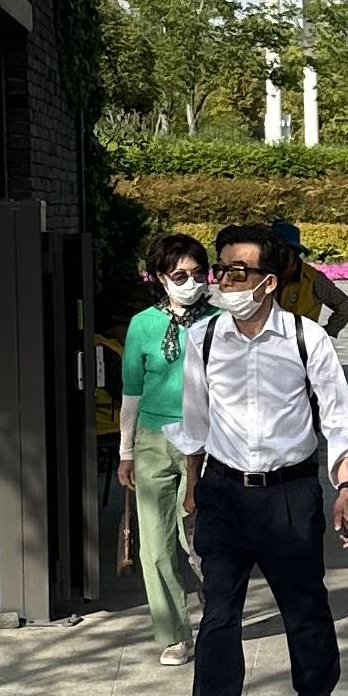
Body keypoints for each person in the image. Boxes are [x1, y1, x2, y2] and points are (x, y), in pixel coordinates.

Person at [167, 219, 348, 696]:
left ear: (269, 281)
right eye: (221, 270)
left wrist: (345, 488)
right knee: (219, 614)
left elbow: (339, 419)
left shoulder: (306, 338)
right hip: (224, 492)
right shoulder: (203, 339)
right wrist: (193, 486)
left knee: (304, 608)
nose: (225, 282)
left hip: (289, 494)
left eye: (238, 271)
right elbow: (195, 421)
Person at [115, 233, 205, 660]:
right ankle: (174, 633)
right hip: (153, 439)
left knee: (201, 541)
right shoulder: (142, 325)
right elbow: (131, 392)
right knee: (155, 544)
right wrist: (125, 452)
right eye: (180, 276)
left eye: (198, 274)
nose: (191, 283)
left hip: (205, 441)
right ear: (160, 278)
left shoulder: (220, 323)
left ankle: (218, 612)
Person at [263, 212, 348, 338]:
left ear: (295, 253)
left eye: (283, 253)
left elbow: (345, 307)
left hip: (299, 344)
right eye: (273, 253)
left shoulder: (313, 279)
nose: (277, 259)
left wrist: (324, 334)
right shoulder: (262, 274)